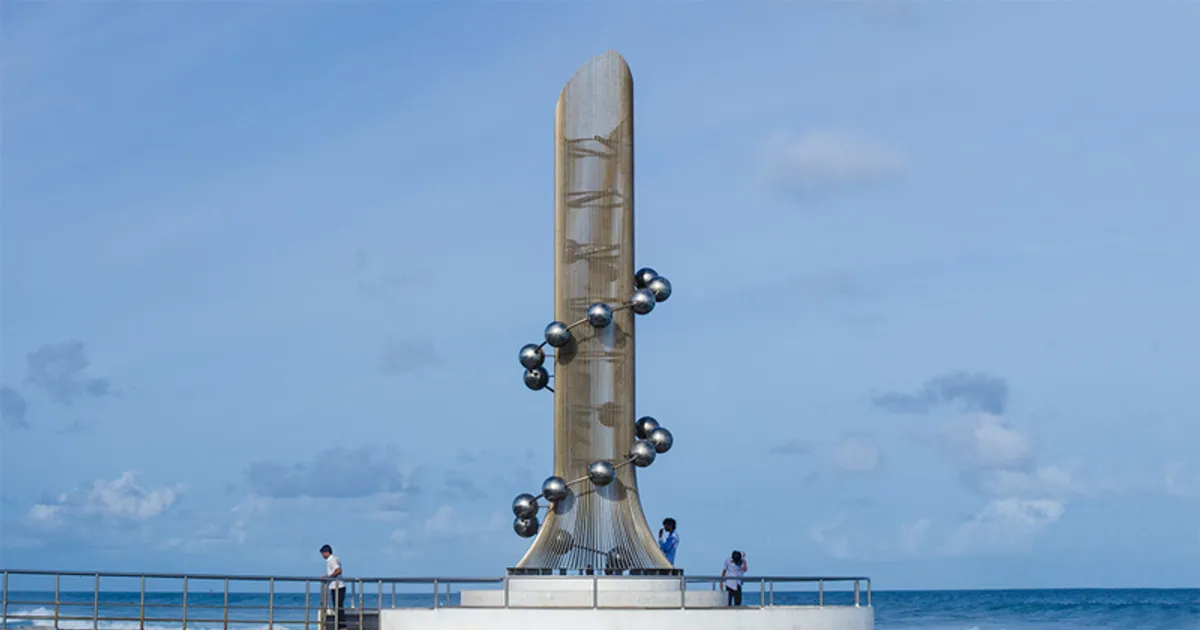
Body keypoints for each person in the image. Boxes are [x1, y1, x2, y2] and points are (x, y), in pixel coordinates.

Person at [319, 544, 346, 629]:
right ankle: (340, 626)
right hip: (337, 586)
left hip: (337, 586)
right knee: (337, 607)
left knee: (338, 607)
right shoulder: (335, 559)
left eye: (323, 554)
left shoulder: (332, 560)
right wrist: (327, 576)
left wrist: (329, 577)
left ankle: (342, 627)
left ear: (326, 552)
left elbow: (338, 571)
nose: (322, 556)